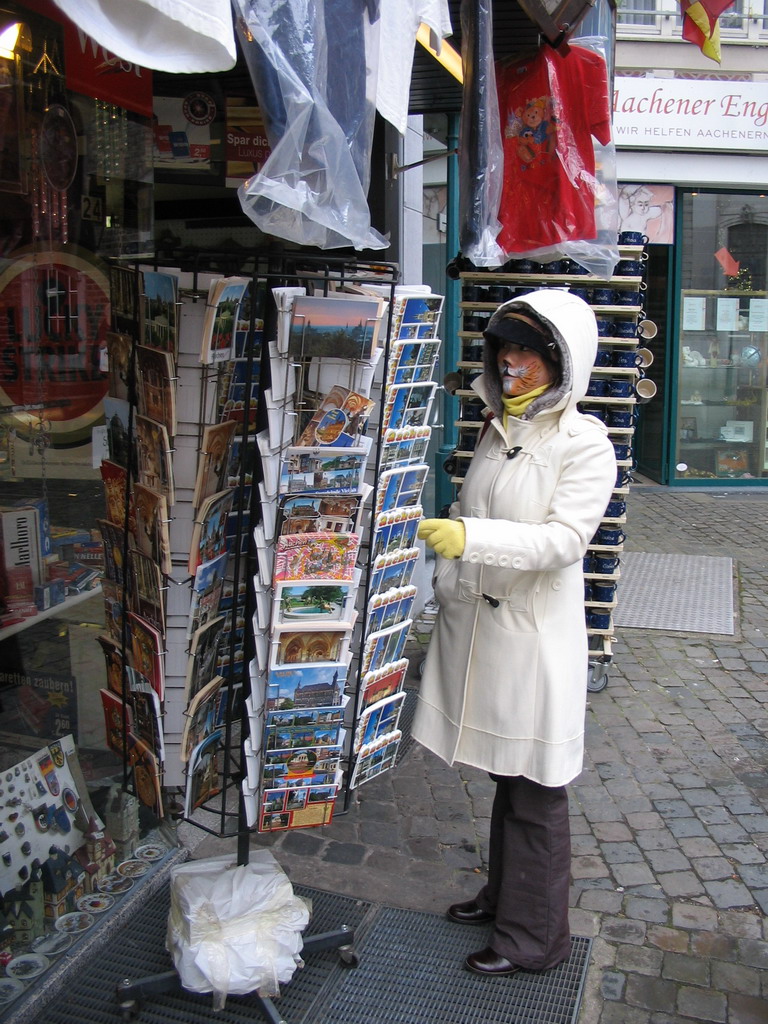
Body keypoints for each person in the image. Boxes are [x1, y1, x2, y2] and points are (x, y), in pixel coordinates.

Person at [412, 289, 616, 977]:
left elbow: (562, 540)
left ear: (561, 362)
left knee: (536, 789)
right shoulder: (499, 430)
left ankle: (535, 940)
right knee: (510, 777)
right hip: (486, 633)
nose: (511, 362)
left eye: (528, 350)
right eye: (505, 347)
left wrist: (470, 537)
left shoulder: (582, 441)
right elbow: (485, 510)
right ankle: (505, 898)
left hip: (530, 643)